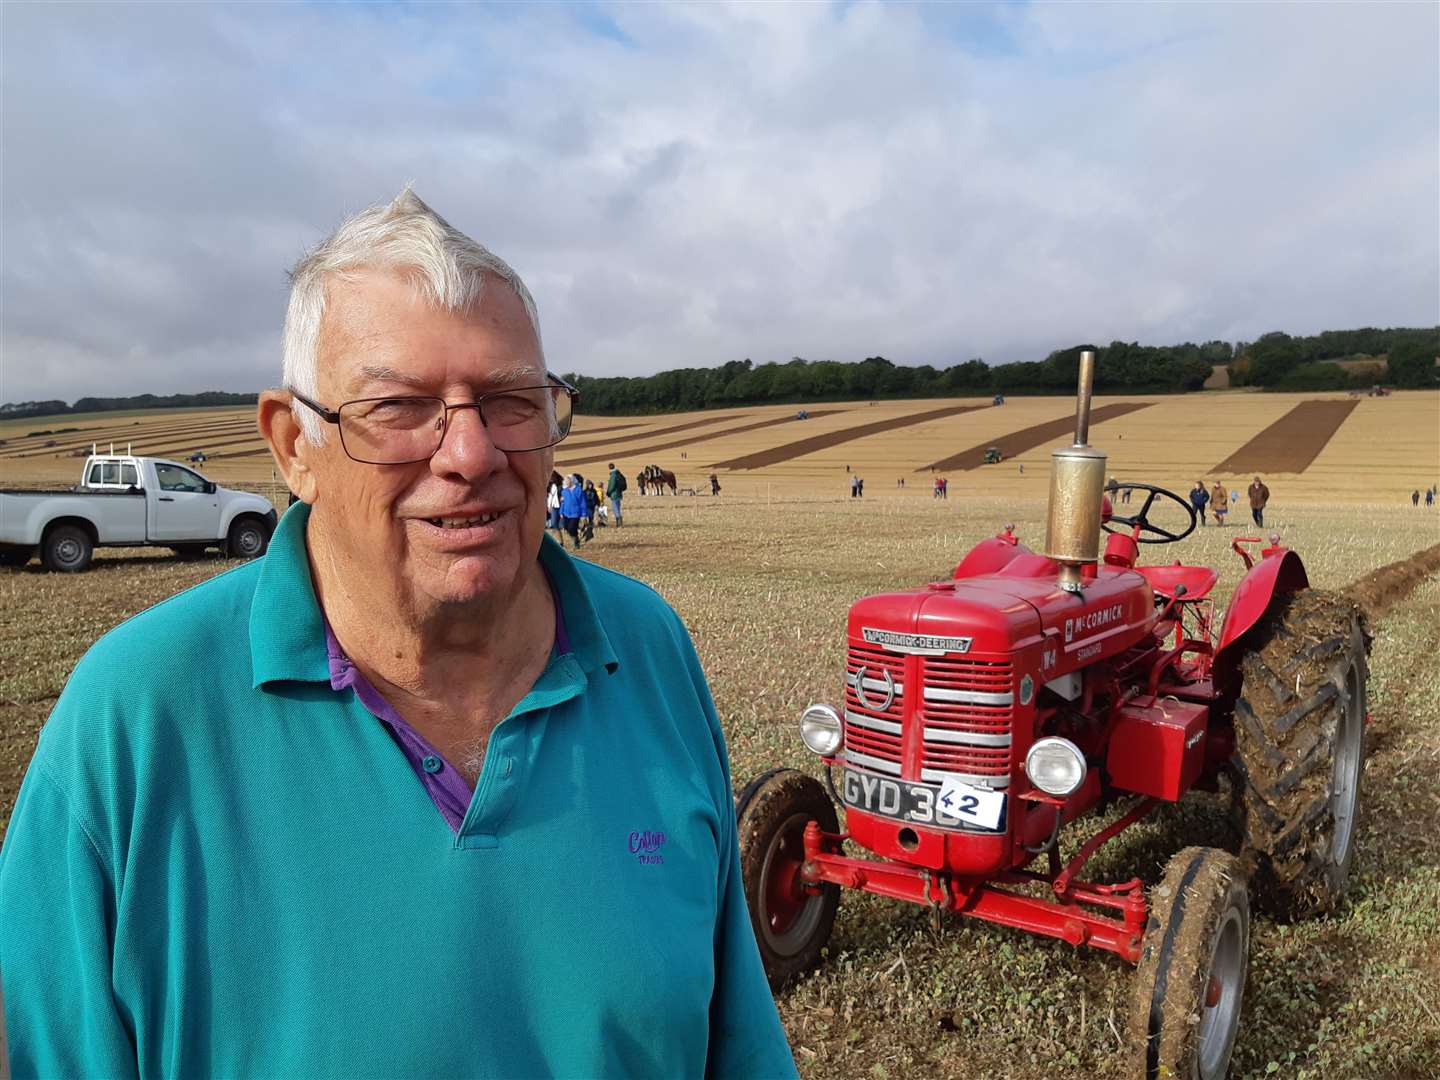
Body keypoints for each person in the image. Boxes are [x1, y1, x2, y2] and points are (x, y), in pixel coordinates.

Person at [0, 188, 796, 1079]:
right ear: (294, 447)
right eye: (400, 407)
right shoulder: (136, 717)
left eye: (509, 400)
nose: (471, 453)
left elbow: (736, 1044)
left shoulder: (645, 646)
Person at [560, 473, 586, 548]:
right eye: (566, 481)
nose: (566, 483)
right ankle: (575, 537)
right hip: (566, 513)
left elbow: (582, 502)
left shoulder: (578, 490)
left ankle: (576, 540)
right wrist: (561, 512)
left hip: (575, 513)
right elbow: (562, 502)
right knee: (566, 527)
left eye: (568, 481)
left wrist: (584, 514)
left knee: (571, 528)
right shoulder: (564, 491)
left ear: (571, 481)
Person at [605, 461, 625, 526]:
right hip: (619, 493)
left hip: (614, 494)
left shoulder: (613, 475)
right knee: (618, 507)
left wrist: (608, 492)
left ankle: (619, 523)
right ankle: (619, 523)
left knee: (615, 508)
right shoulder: (618, 473)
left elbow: (611, 485)